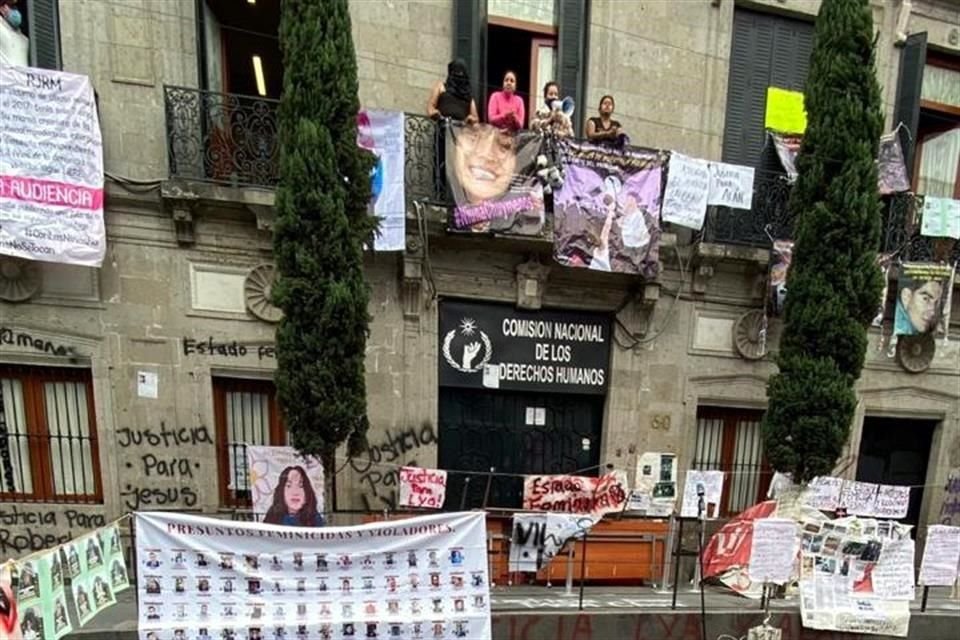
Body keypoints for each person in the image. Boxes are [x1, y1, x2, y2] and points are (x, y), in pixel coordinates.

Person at [427, 59, 478, 124]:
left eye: (461, 73)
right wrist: (434, 112)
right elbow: (431, 106)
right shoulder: (441, 86)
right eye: (455, 72)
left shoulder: (468, 95)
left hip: (462, 130)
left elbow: (475, 118)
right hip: (443, 127)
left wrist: (471, 119)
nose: (458, 75)